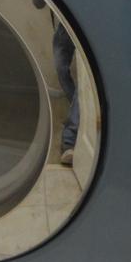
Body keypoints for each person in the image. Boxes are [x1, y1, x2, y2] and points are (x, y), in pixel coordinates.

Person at [52, 22, 78, 165]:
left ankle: (69, 140)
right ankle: (79, 115)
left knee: (86, 81)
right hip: (66, 26)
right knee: (60, 68)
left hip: (93, 25)